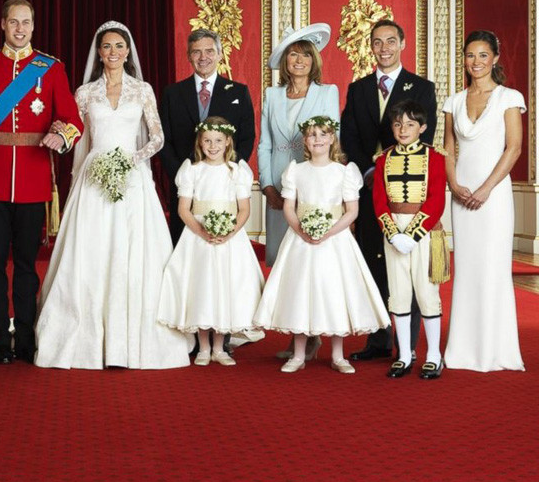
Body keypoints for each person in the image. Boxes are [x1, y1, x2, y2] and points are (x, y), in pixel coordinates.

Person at [35, 21, 191, 369]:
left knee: (134, 253)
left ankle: (134, 341)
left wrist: (130, 160)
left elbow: (158, 137)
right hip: (93, 177)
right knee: (90, 253)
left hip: (133, 178)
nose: (113, 52)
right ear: (99, 52)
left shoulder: (143, 90)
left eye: (119, 46)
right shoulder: (85, 92)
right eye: (107, 46)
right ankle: (84, 340)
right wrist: (59, 132)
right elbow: (74, 132)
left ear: (128, 51)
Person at [0, 0, 83, 364]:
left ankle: (27, 339)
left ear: (33, 25)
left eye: (26, 23)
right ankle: (0, 339)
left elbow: (73, 120)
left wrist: (60, 136)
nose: (19, 29)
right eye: (13, 22)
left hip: (32, 182)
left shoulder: (52, 68)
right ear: (2, 24)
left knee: (28, 266)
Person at [252, 117, 389, 374]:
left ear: (331, 139)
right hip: (301, 240)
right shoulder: (296, 170)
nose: (317, 139)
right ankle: (299, 354)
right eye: (312, 134)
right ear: (304, 140)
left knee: (334, 291)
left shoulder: (344, 171)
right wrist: (302, 230)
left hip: (335, 241)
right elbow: (289, 208)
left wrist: (328, 232)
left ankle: (338, 355)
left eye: (323, 134)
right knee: (300, 292)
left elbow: (351, 212)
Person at [341, 19, 436, 362]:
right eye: (378, 42)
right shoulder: (358, 88)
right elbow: (348, 135)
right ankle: (378, 339)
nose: (384, 48)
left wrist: (389, 170)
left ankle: (406, 345)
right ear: (371, 47)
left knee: (406, 263)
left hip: (407, 192)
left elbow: (425, 136)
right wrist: (369, 170)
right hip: (369, 189)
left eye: (390, 41)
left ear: (403, 43)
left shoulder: (421, 87)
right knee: (373, 262)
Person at [442, 30, 525, 372]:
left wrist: (486, 188)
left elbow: (514, 148)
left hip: (494, 197)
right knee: (468, 269)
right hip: (461, 196)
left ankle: (496, 349)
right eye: (470, 55)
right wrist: (454, 184)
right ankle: (461, 348)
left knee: (492, 268)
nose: (475, 62)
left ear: (495, 58)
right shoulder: (454, 101)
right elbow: (447, 148)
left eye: (482, 55)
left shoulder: (509, 97)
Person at [157, 118, 263, 366]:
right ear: (200, 143)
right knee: (201, 287)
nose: (212, 146)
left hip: (229, 239)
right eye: (207, 141)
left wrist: (228, 232)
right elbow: (184, 209)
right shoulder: (192, 171)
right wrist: (203, 232)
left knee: (226, 286)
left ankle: (220, 347)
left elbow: (244, 210)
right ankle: (203, 346)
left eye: (218, 140)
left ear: (228, 141)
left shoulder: (236, 171)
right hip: (198, 238)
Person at [372, 100, 447, 379]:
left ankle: (434, 356)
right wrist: (393, 234)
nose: (403, 129)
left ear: (423, 128)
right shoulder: (383, 159)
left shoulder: (436, 157)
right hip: (393, 232)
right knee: (399, 294)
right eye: (398, 124)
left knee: (427, 294)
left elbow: (436, 199)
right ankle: (403, 355)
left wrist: (412, 235)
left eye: (410, 124)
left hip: (424, 232)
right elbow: (379, 200)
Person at [160, 28, 255, 245]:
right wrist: (182, 175)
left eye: (209, 51)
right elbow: (164, 140)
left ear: (220, 54)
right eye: (196, 52)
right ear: (189, 56)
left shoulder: (238, 92)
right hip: (186, 185)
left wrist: (229, 171)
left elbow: (247, 137)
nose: (203, 57)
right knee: (185, 245)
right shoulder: (173, 93)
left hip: (224, 187)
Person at [257, 24, 337, 267]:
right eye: (293, 54)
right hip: (279, 184)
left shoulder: (327, 92)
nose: (299, 60)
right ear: (285, 60)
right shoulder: (271, 94)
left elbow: (335, 140)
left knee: (311, 252)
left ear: (314, 60)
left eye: (305, 54)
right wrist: (267, 185)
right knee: (280, 255)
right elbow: (264, 144)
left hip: (315, 181)